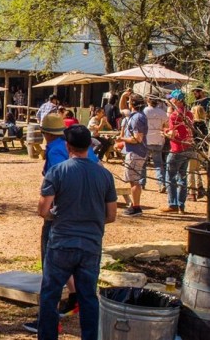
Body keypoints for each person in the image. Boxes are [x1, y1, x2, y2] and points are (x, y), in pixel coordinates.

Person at [36, 125, 117, 340]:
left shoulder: (57, 171)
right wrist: (91, 220)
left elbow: (43, 210)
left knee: (50, 294)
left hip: (62, 242)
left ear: (67, 146)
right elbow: (111, 215)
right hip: (91, 243)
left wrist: (56, 217)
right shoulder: (105, 175)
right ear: (89, 145)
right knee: (88, 297)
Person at [162, 95, 193, 213]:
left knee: (170, 177)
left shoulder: (174, 116)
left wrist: (164, 132)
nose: (170, 101)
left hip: (177, 148)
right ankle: (181, 205)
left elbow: (172, 134)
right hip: (188, 147)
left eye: (172, 99)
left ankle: (172, 204)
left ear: (178, 101)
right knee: (182, 177)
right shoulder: (189, 114)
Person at [119, 97, 148, 217]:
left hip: (136, 152)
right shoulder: (136, 116)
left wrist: (121, 138)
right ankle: (135, 206)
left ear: (132, 104)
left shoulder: (137, 118)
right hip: (136, 151)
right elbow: (121, 108)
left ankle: (136, 207)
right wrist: (124, 96)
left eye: (129, 101)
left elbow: (137, 139)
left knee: (134, 181)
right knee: (133, 180)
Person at [142, 94, 168, 193]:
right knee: (158, 163)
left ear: (148, 101)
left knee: (143, 163)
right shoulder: (162, 112)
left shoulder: (144, 111)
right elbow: (166, 125)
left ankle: (142, 182)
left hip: (147, 139)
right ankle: (161, 183)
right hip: (158, 139)